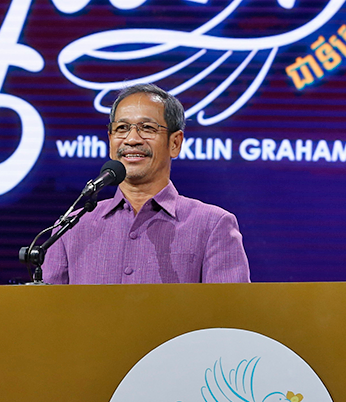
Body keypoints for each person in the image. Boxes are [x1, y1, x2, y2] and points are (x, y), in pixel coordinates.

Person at [44, 83, 250, 284]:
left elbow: (230, 315)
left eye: (148, 128)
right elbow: (48, 313)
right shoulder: (70, 228)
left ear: (175, 143)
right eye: (122, 128)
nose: (132, 139)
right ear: (110, 140)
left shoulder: (213, 225)